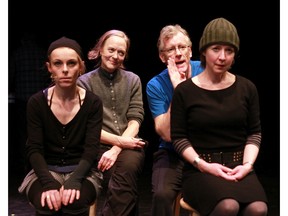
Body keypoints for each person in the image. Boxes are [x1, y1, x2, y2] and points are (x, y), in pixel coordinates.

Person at [171, 17, 268, 216]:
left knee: (258, 209)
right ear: (204, 51)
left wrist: (247, 166)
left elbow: (254, 133)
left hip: (239, 167)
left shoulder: (247, 88)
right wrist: (204, 165)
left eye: (229, 51)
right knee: (227, 206)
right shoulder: (185, 91)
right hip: (200, 169)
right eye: (216, 49)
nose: (222, 56)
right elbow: (179, 138)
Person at [18, 36, 104, 216]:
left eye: (71, 63)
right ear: (49, 67)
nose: (65, 70)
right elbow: (34, 149)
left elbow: (91, 149)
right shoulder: (37, 103)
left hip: (82, 171)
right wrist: (49, 183)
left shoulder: (92, 103)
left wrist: (75, 180)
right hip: (45, 170)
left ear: (80, 67)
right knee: (47, 201)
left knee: (74, 201)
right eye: (58, 64)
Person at [77, 29, 146, 216]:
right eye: (111, 50)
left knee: (127, 170)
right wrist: (118, 143)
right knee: (124, 182)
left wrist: (117, 148)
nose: (115, 56)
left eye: (121, 52)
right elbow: (88, 127)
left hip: (130, 143)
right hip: (98, 145)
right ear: (101, 50)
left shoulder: (133, 80)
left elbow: (136, 118)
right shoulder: (84, 83)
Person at [146, 24, 203, 216]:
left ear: (190, 51)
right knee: (161, 195)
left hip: (204, 150)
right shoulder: (156, 84)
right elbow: (167, 134)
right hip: (172, 153)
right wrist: (178, 90)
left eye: (182, 47)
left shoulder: (205, 71)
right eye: (171, 49)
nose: (178, 53)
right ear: (163, 57)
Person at [9, 32, 50, 177]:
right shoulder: (42, 54)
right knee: (41, 132)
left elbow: (10, 75)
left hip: (22, 98)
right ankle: (40, 164)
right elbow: (48, 76)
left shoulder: (17, 54)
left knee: (23, 133)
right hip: (40, 98)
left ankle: (25, 166)